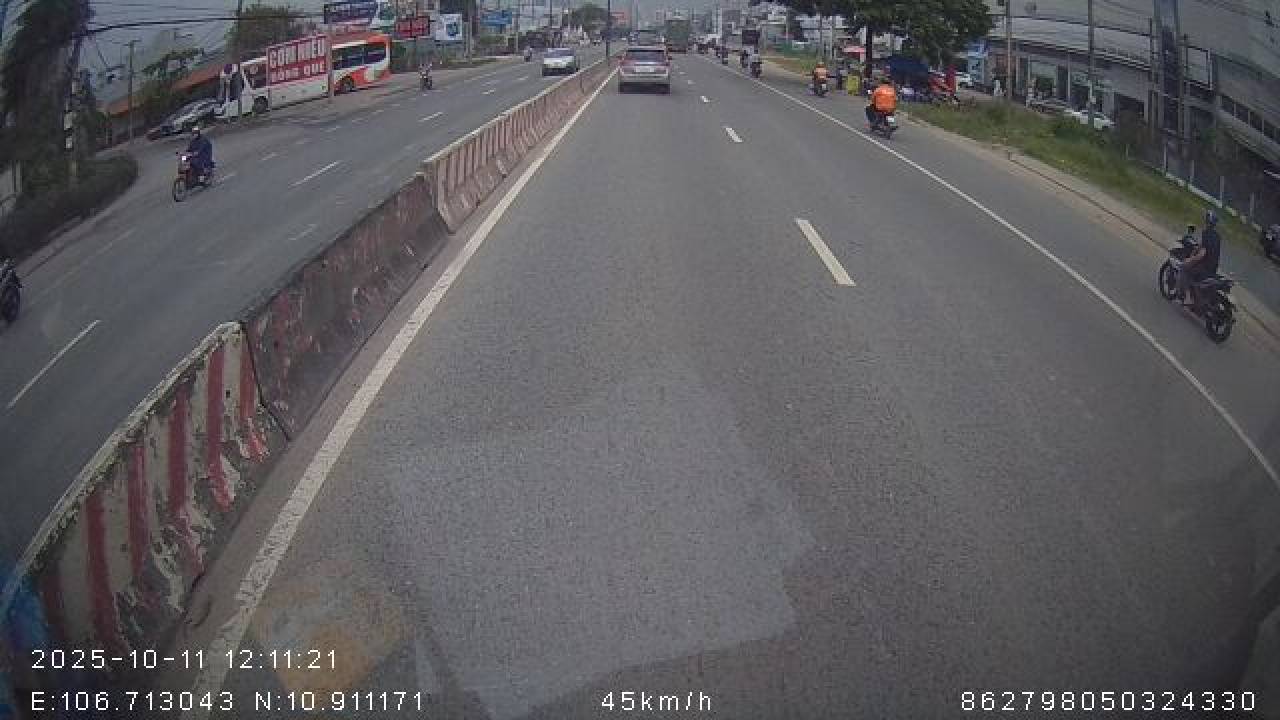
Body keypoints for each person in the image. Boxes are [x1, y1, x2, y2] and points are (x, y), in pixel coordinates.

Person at [1178, 210, 1222, 307]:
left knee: (1184, 268)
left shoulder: (1206, 233)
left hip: (1204, 267)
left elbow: (1202, 254)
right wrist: (1195, 250)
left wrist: (1190, 259)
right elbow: (1204, 246)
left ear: (1207, 221)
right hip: (1213, 269)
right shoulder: (1217, 236)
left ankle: (1188, 298)